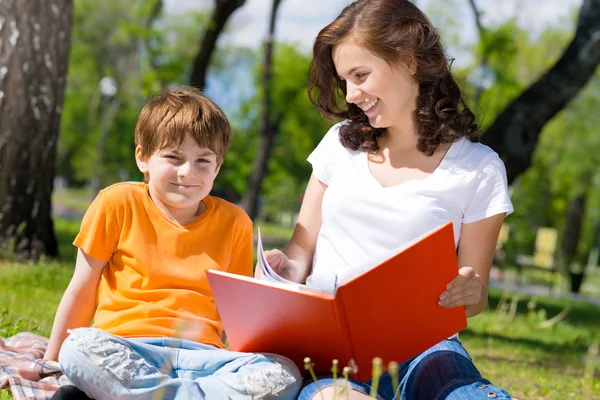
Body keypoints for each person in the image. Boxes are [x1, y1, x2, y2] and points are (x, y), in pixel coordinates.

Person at [263, 1, 514, 399]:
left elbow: (475, 293)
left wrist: (470, 290)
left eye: (361, 75)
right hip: (331, 348)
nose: (351, 94)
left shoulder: (479, 168)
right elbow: (302, 247)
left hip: (423, 346)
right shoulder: (338, 145)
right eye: (345, 80)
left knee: (464, 394)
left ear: (408, 60)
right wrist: (282, 270)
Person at [43, 87, 302, 400]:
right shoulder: (117, 203)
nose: (187, 172)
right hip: (126, 349)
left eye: (203, 160)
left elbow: (234, 321)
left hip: (204, 359)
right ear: (143, 158)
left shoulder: (236, 222)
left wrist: (265, 283)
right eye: (173, 157)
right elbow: (82, 288)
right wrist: (52, 360)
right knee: (78, 348)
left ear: (217, 166)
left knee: (283, 372)